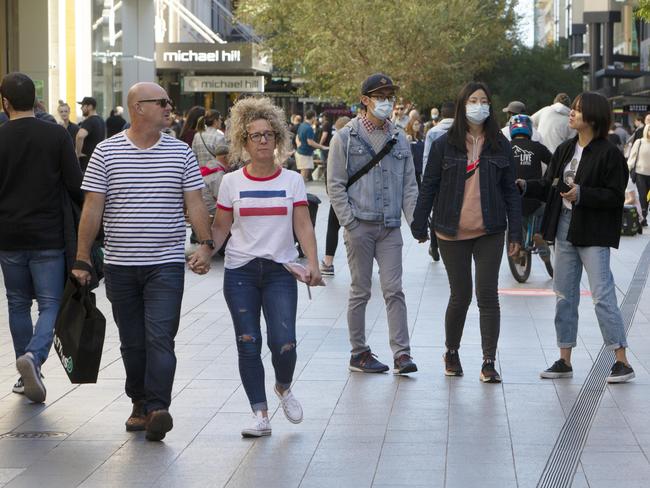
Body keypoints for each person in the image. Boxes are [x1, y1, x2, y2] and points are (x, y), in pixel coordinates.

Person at [73, 82, 212, 441]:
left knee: (161, 337)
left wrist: (205, 244)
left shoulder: (180, 154)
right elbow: (92, 209)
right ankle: (139, 402)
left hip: (165, 264)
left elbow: (195, 203)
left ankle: (157, 408)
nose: (170, 107)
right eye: (162, 102)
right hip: (120, 266)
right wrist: (83, 258)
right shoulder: (106, 153)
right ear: (138, 108)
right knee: (133, 342)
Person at [188, 97, 321, 438]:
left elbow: (303, 226)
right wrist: (206, 251)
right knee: (248, 341)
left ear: (278, 139)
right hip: (241, 272)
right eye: (254, 135)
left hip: (280, 271)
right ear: (243, 142)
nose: (262, 141)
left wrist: (313, 264)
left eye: (268, 135)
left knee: (284, 343)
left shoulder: (291, 181)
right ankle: (260, 413)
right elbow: (221, 227)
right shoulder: (233, 182)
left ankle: (283, 386)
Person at [519, 91, 635, 384]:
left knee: (602, 295)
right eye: (572, 109)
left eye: (577, 110)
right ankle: (564, 358)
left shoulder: (609, 153)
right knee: (564, 295)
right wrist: (524, 186)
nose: (571, 113)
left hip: (593, 229)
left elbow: (614, 196)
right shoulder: (565, 150)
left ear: (593, 117)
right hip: (564, 227)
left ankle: (621, 360)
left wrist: (582, 194)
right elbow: (549, 185)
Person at [411, 81, 522, 383]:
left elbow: (511, 193)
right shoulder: (443, 144)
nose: (478, 105)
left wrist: (516, 234)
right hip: (451, 231)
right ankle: (452, 352)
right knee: (460, 295)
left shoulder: (501, 145)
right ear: (462, 106)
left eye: (483, 100)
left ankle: (488, 361)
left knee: (488, 295)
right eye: (472, 100)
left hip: (490, 230)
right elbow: (429, 186)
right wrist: (419, 224)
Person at [328, 73, 419, 375]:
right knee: (361, 290)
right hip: (360, 226)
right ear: (365, 100)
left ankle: (402, 354)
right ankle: (359, 352)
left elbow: (409, 185)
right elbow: (335, 185)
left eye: (390, 96)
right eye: (380, 96)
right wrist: (350, 223)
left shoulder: (400, 137)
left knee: (394, 290)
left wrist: (415, 222)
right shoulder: (345, 137)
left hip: (390, 226)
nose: (387, 102)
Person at [0, 72, 83, 403]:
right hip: (48, 235)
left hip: (8, 236)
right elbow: (76, 184)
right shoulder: (56, 135)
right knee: (50, 303)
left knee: (18, 302)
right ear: (35, 100)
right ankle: (34, 357)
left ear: (5, 102)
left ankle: (25, 375)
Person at [509, 114, 553, 264]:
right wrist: (546, 179)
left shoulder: (505, 147)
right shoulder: (538, 147)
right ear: (529, 130)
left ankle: (517, 248)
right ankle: (540, 233)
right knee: (547, 207)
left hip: (512, 198)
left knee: (515, 217)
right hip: (534, 196)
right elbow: (554, 164)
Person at [422, 101, 456, 262]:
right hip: (458, 178)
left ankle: (434, 245)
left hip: (438, 179)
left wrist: (425, 180)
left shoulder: (432, 132)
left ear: (441, 114)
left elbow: (427, 158)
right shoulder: (464, 131)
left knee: (437, 211)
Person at [320, 116, 351, 276]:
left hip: (339, 194)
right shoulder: (359, 143)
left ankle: (328, 262)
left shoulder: (336, 142)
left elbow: (330, 172)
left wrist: (331, 192)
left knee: (333, 226)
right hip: (357, 194)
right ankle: (368, 263)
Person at [627, 124, 650, 227]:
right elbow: (632, 156)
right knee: (643, 196)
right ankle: (643, 217)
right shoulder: (639, 142)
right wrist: (628, 169)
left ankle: (644, 214)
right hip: (641, 173)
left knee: (648, 198)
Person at [296, 110, 328, 181]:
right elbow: (310, 142)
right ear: (313, 117)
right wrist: (321, 147)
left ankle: (301, 190)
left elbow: (297, 137)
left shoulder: (302, 125)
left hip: (301, 152)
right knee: (304, 175)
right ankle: (300, 191)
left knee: (303, 174)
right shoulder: (309, 128)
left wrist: (298, 144)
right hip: (305, 153)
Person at [76, 96, 106, 171]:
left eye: (83, 106)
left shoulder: (89, 120)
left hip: (87, 161)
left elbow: (80, 136)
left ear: (90, 107)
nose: (81, 108)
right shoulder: (101, 120)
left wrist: (78, 153)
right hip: (98, 159)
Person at [405, 117, 424, 188]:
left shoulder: (421, 137)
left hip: (420, 166)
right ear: (411, 126)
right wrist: (408, 142)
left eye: (418, 124)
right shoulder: (409, 137)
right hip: (413, 167)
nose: (417, 126)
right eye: (415, 124)